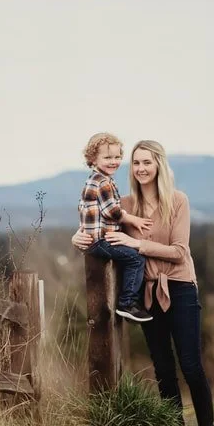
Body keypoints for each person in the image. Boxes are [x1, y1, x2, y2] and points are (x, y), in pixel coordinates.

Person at [72, 140, 214, 426]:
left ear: (159, 166)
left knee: (191, 365)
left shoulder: (178, 201)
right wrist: (77, 237)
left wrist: (133, 244)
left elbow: (180, 252)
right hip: (144, 294)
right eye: (136, 163)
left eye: (147, 163)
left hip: (179, 287)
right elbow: (97, 226)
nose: (140, 168)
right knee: (164, 370)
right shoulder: (123, 203)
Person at [77, 132, 153, 323]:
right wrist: (132, 219)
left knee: (127, 257)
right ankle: (127, 303)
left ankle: (126, 300)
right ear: (93, 159)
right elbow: (112, 210)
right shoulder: (102, 182)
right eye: (108, 157)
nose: (114, 161)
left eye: (117, 157)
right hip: (100, 240)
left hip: (97, 238)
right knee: (135, 259)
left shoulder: (95, 179)